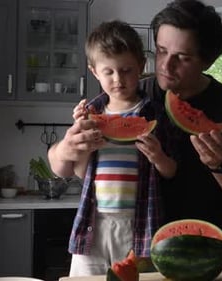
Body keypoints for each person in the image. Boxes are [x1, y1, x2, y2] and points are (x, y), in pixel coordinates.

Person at [139, 0, 222, 270]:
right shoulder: (132, 98)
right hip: (141, 255)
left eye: (183, 58)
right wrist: (69, 148)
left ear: (207, 61)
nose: (166, 65)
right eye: (162, 51)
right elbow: (73, 165)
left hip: (210, 261)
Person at [47, 20, 176, 277]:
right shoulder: (91, 114)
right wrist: (80, 141)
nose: (118, 79)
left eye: (126, 70)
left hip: (138, 224)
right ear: (94, 71)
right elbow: (75, 172)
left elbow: (171, 171)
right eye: (109, 72)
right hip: (93, 221)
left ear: (141, 66)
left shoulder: (155, 114)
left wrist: (158, 156)